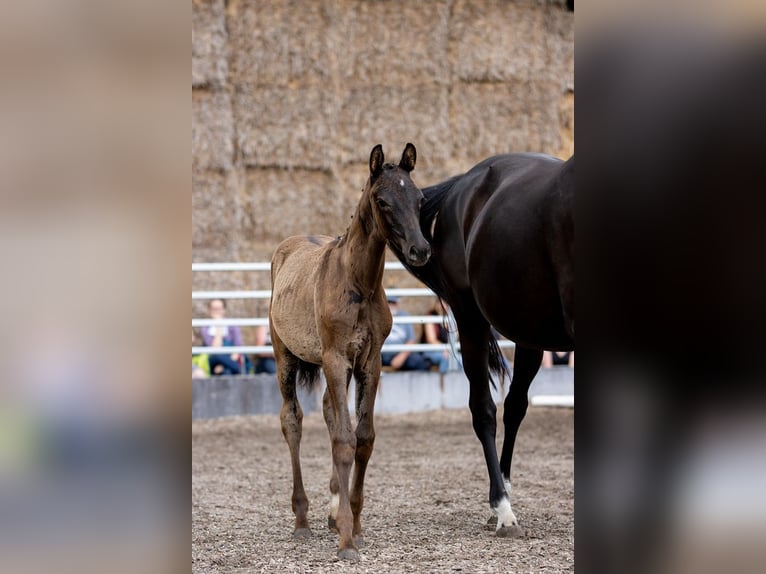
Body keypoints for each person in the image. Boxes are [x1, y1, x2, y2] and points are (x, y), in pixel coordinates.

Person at [381, 295, 430, 371]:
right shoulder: (378, 316)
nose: (391, 305)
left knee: (420, 362)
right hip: (381, 355)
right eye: (389, 302)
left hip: (400, 354)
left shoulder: (404, 315)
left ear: (398, 304)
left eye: (393, 302)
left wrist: (402, 356)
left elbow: (411, 340)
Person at [202, 298, 244, 375]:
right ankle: (236, 368)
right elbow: (214, 350)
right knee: (218, 357)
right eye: (213, 309)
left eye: (218, 308)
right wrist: (218, 325)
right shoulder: (206, 327)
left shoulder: (232, 325)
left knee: (226, 372)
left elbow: (238, 347)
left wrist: (224, 365)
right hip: (214, 359)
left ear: (223, 310)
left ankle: (231, 367)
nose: (216, 311)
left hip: (231, 358)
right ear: (209, 310)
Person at [420, 298, 451, 373]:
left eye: (446, 303)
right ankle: (443, 381)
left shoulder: (450, 318)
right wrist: (446, 350)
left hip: (447, 352)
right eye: (440, 302)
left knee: (459, 359)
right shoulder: (430, 316)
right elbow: (431, 340)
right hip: (430, 351)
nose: (442, 305)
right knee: (445, 358)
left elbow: (456, 338)